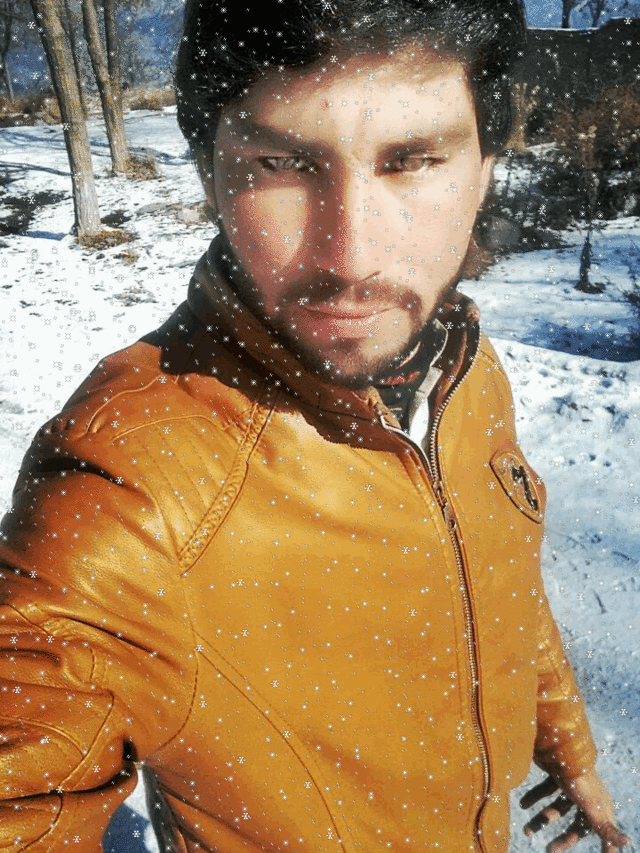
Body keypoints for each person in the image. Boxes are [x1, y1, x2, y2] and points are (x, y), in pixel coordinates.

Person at [0, 1, 631, 851]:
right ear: (208, 172)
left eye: (414, 160)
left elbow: (500, 578)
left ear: (485, 167)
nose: (353, 256)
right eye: (281, 164)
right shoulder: (131, 488)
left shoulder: (463, 368)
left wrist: (568, 746)